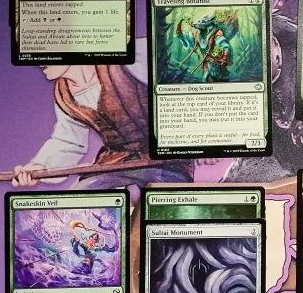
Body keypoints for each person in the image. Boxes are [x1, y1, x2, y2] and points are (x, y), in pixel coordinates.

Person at [11, 39, 199, 195]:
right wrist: (40, 167)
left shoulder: (128, 59)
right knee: (79, 200)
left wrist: (200, 141)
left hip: (165, 161)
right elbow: (68, 142)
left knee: (163, 204)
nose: (39, 59)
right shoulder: (63, 94)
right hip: (113, 163)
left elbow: (183, 69)